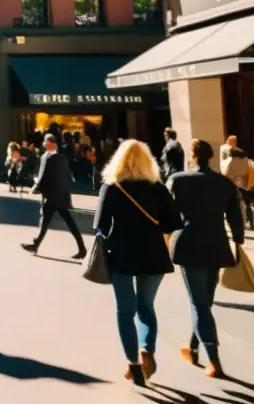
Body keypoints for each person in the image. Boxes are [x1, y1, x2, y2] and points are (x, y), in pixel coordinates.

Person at [94, 139, 182, 386]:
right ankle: (147, 350)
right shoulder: (158, 188)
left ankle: (133, 365)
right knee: (146, 306)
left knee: (125, 310)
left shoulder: (111, 188)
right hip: (153, 253)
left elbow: (99, 226)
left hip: (121, 253)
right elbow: (174, 223)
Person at [167, 139, 246, 379]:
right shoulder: (224, 183)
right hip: (216, 244)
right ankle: (191, 348)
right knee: (204, 302)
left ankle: (213, 359)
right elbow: (235, 216)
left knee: (199, 303)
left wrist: (165, 235)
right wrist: (238, 241)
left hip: (189, 243)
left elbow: (168, 213)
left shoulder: (178, 181)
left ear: (192, 155)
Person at [22, 133, 87, 258]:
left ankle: (35, 245)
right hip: (60, 195)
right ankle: (81, 248)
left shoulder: (47, 157)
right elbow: (67, 177)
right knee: (67, 221)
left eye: (46, 141)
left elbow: (42, 176)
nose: (44, 144)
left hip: (53, 195)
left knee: (47, 219)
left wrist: (36, 187)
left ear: (52, 143)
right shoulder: (60, 157)